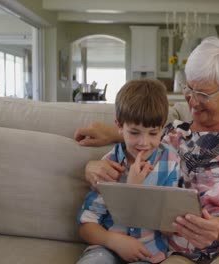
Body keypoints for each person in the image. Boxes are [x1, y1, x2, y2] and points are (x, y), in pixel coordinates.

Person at [75, 37, 219, 264]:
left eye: (204, 94)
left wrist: (213, 228)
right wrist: (92, 166)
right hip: (179, 253)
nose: (192, 101)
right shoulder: (171, 133)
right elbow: (134, 135)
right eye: (189, 88)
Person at [76, 79, 180, 264]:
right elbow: (86, 225)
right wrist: (114, 241)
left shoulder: (169, 161)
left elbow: (168, 224)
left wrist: (136, 191)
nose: (144, 143)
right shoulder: (108, 165)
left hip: (148, 252)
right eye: (134, 132)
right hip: (108, 247)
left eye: (153, 133)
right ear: (119, 126)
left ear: (163, 128)